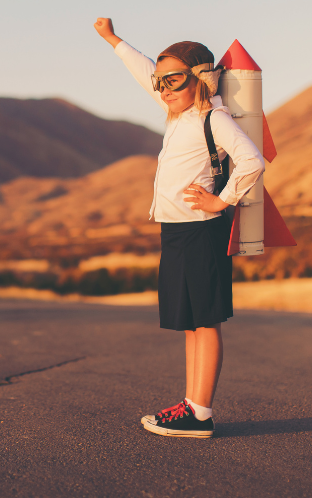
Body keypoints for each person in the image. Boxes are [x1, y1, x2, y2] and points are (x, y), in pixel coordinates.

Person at [94, 18, 265, 438]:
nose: (164, 89)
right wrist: (113, 39)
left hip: (200, 231)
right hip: (175, 233)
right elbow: (143, 69)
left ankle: (201, 413)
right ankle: (191, 404)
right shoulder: (177, 114)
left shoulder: (212, 117)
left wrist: (221, 201)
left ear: (202, 78)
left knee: (205, 321)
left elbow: (253, 161)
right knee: (191, 322)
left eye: (174, 79)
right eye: (161, 83)